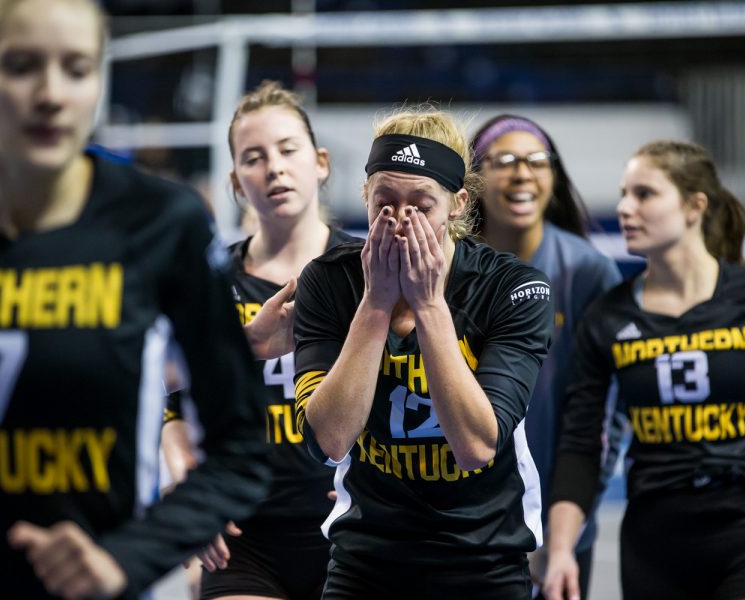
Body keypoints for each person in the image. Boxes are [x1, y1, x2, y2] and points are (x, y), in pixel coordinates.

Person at [0, 0, 285, 597]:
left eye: (77, 69)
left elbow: (240, 446)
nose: (51, 93)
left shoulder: (160, 222)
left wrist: (130, 556)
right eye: (22, 66)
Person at [543, 140, 745, 600]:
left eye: (644, 194)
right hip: (655, 541)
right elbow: (580, 448)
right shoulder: (607, 318)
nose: (625, 208)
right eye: (624, 194)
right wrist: (561, 548)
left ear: (695, 206)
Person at [292, 106, 553, 599]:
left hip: (484, 556)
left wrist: (430, 305)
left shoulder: (512, 287)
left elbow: (477, 447)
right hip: (367, 557)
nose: (399, 222)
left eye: (422, 205)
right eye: (384, 201)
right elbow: (328, 440)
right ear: (365, 195)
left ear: (457, 204)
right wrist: (374, 305)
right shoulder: (330, 282)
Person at [162, 79, 356, 600]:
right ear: (235, 183)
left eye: (288, 150)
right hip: (243, 533)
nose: (273, 167)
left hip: (356, 530)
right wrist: (185, 478)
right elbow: (168, 400)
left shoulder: (366, 275)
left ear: (319, 162)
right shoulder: (212, 281)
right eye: (254, 157)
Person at [471, 114, 622, 599]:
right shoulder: (449, 269)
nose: (522, 173)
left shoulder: (587, 272)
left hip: (560, 519)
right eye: (505, 161)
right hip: (461, 520)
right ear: (472, 179)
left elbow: (604, 419)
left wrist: (559, 530)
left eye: (537, 161)